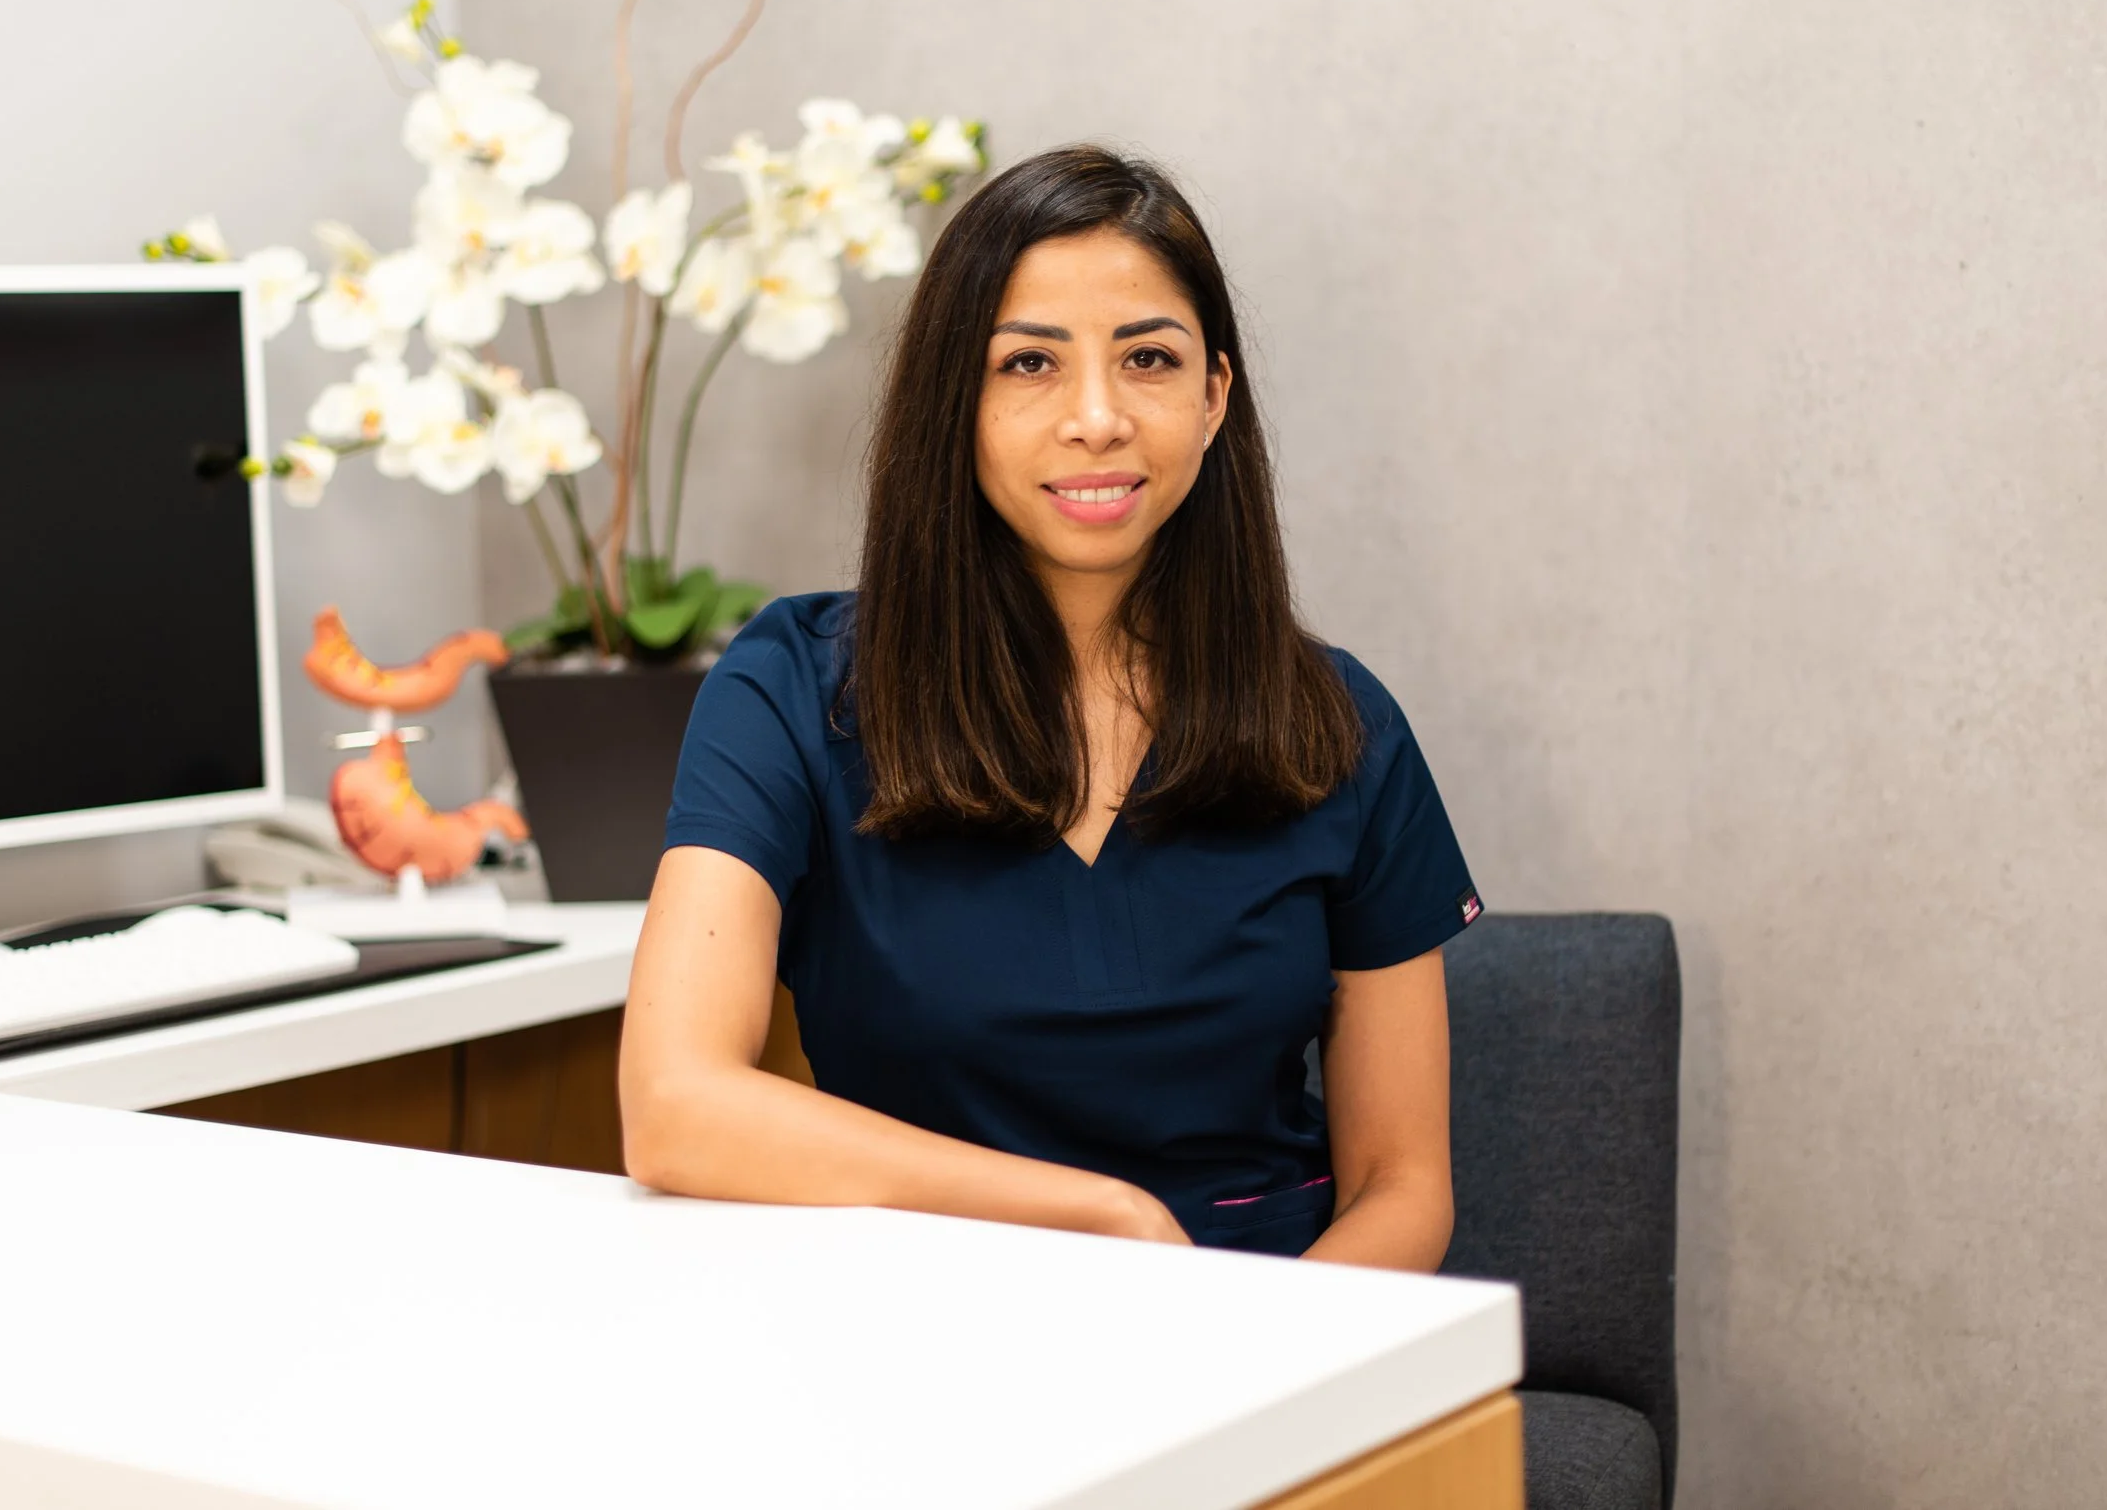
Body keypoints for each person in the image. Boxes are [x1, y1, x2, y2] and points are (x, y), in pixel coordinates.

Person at [618, 143, 1480, 1264]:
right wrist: (1099, 1215)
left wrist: (1256, 1350)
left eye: (1148, 359)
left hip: (1276, 1322)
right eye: (1028, 363)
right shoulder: (789, 687)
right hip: (925, 1319)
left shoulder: (1338, 724)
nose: (1097, 417)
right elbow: (674, 1106)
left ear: (1213, 397)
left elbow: (1402, 1186)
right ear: (954, 401)